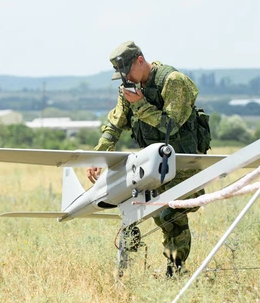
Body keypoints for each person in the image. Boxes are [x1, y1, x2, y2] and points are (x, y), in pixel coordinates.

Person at [86, 41, 211, 277]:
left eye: (128, 71)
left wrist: (140, 105)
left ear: (140, 61)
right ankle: (127, 270)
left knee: (170, 214)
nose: (126, 78)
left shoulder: (173, 81)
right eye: (121, 74)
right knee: (132, 208)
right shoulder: (129, 87)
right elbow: (115, 123)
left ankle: (175, 271)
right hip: (153, 167)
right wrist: (100, 154)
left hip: (183, 165)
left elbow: (170, 127)